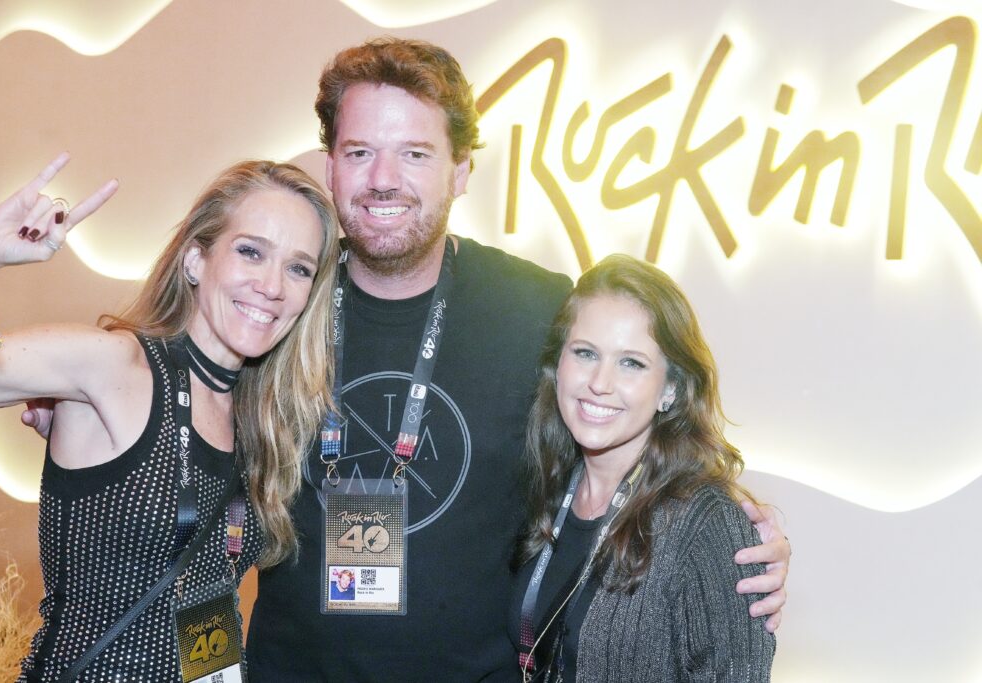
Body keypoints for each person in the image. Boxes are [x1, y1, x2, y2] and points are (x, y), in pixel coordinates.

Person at [245, 38, 790, 682]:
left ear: (461, 170)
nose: (383, 178)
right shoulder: (276, 305)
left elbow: (634, 422)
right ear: (331, 165)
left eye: (415, 154)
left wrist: (735, 536)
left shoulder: (540, 307)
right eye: (360, 152)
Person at [0, 154, 338, 681]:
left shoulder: (259, 417)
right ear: (194, 261)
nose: (273, 286)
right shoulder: (114, 365)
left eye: (298, 268)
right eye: (251, 252)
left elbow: (208, 591)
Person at [510, 254, 775, 682]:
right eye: (584, 353)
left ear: (670, 388)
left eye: (631, 362)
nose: (600, 382)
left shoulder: (706, 523)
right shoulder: (549, 488)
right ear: (557, 366)